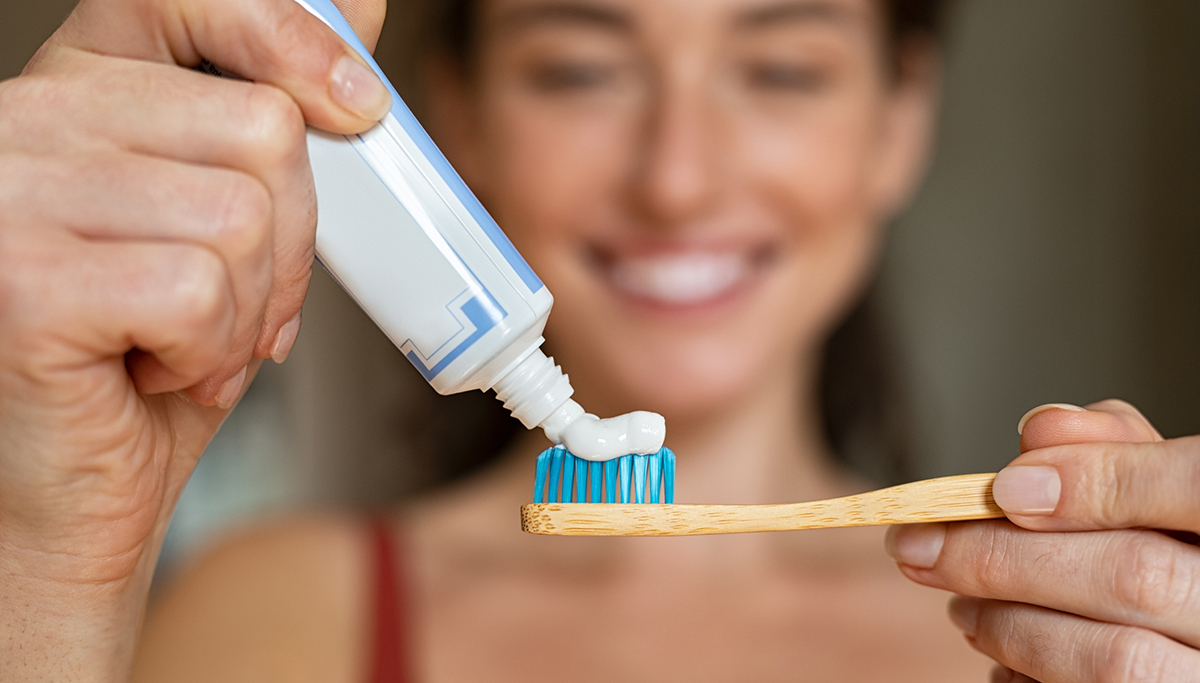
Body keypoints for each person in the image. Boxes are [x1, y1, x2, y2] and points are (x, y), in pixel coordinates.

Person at [1, 0, 1197, 680]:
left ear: (900, 116)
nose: (677, 179)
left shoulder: (1076, 634)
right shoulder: (272, 617)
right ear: (453, 118)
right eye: (579, 72)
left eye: (780, 71)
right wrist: (51, 561)